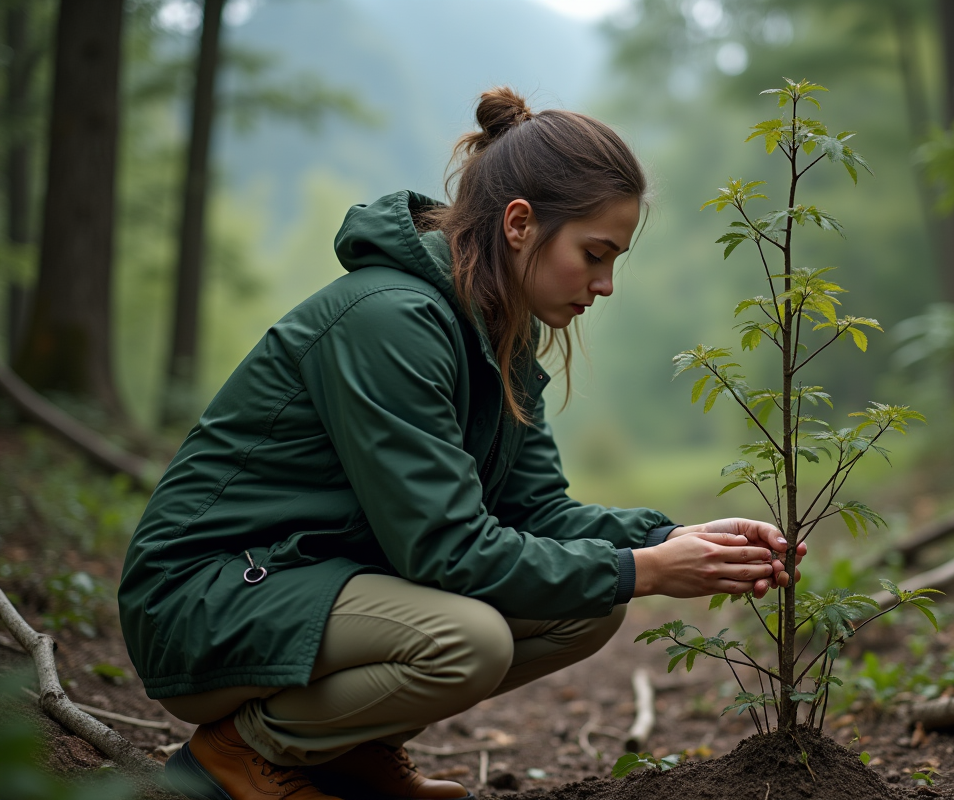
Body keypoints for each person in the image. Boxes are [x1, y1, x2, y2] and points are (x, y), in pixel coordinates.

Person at [118, 87, 806, 800]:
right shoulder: (390, 321)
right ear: (520, 223)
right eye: (594, 254)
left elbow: (536, 513)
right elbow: (446, 550)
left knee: (589, 604)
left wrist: (670, 539)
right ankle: (240, 752)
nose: (604, 285)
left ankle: (345, 753)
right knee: (468, 640)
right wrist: (646, 570)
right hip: (203, 601)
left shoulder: (500, 329)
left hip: (310, 580)